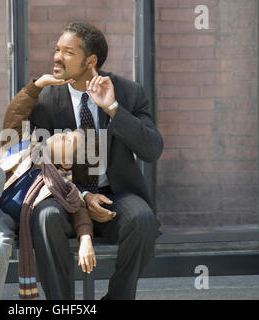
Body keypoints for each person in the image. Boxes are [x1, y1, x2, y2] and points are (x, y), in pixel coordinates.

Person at [27, 22, 164, 300]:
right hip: (63, 196)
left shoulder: (128, 92)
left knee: (143, 220)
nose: (56, 57)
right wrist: (84, 195)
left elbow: (152, 149)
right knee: (45, 217)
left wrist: (113, 108)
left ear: (90, 61)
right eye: (56, 50)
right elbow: (37, 161)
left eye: (67, 52)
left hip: (115, 195)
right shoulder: (44, 98)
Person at [0, 75, 97, 300]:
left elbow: (80, 211)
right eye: (65, 133)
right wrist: (38, 85)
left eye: (69, 140)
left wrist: (86, 240)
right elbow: (16, 113)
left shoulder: (63, 185)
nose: (63, 134)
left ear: (67, 162)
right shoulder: (23, 144)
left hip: (2, 221)